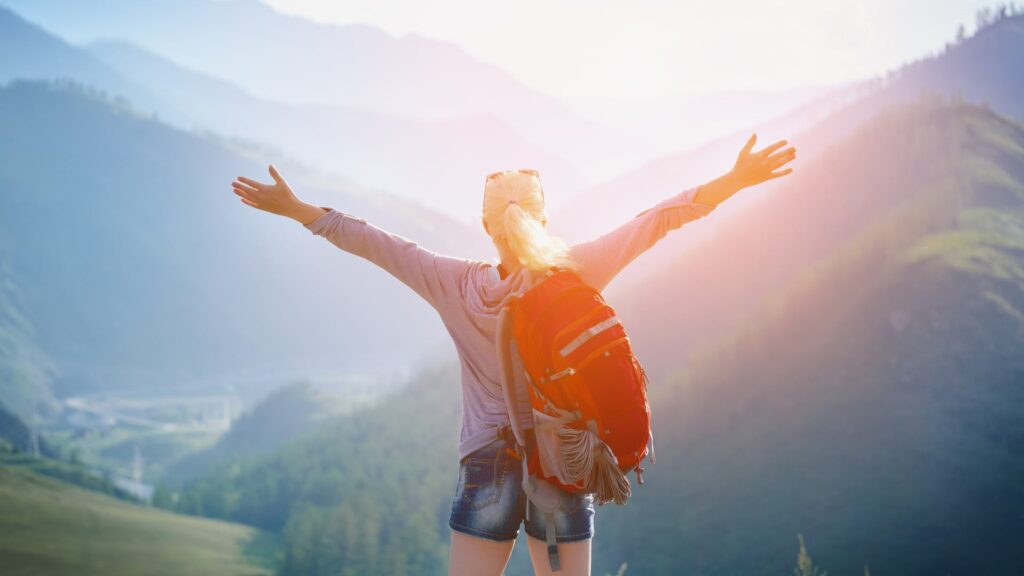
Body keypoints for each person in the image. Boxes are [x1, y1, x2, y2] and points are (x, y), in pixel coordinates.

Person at [231, 133, 795, 576]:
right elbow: (659, 219)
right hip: (560, 465)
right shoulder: (574, 271)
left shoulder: (454, 284)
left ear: (485, 224)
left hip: (486, 468)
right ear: (543, 218)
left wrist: (297, 208)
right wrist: (735, 181)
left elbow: (373, 241)